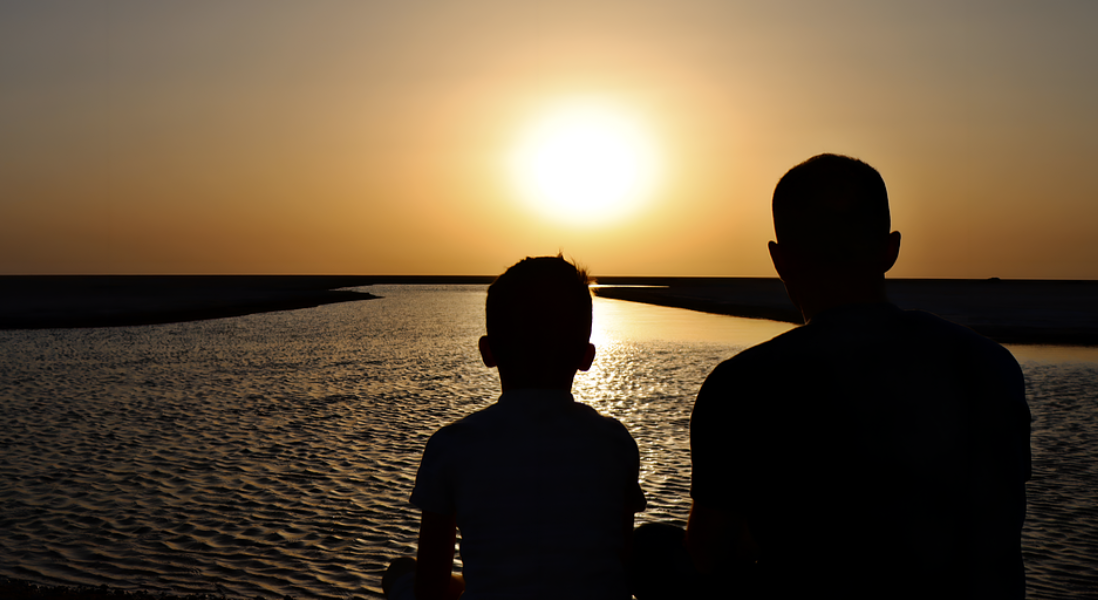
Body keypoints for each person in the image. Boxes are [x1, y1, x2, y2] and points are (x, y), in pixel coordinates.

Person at [637, 154, 1032, 599]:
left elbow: (708, 554)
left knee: (651, 548)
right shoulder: (989, 365)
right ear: (891, 249)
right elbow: (997, 526)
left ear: (779, 261)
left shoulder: (744, 384)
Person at [381, 256, 647, 600]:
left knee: (402, 571)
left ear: (487, 352)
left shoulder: (452, 446)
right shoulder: (614, 442)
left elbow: (430, 587)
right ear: (587, 357)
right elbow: (620, 563)